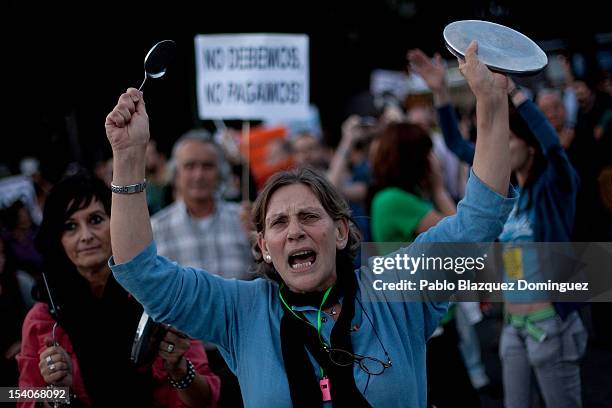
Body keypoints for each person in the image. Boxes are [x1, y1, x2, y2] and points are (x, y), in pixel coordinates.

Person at [105, 41, 516, 407]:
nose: (295, 231)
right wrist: (128, 157)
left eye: (309, 216)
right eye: (279, 223)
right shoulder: (240, 311)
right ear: (264, 245)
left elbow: (477, 220)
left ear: (340, 231)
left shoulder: (395, 290)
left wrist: (491, 104)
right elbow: (142, 274)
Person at [409, 47, 586, 408]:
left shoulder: (555, 189)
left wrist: (513, 94)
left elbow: (553, 148)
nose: (499, 149)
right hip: (513, 327)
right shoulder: (504, 195)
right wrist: (441, 93)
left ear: (528, 148)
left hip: (550, 323)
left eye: (509, 141)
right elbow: (459, 146)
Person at [16, 170, 220, 408]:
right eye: (70, 226)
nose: (86, 236)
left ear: (117, 223)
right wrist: (55, 393)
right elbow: (13, 396)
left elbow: (209, 397)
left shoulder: (159, 297)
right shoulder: (43, 319)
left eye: (96, 220)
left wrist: (179, 370)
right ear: (57, 239)